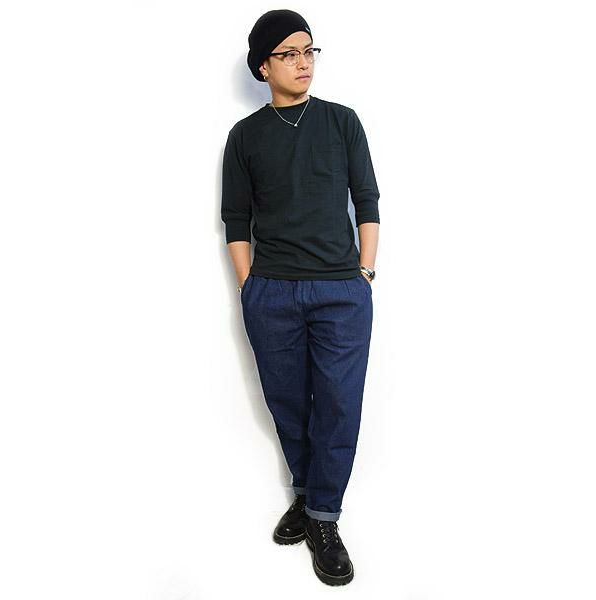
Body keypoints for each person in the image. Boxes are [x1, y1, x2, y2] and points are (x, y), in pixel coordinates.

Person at [221, 9, 380, 586]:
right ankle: (309, 495)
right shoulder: (245, 136)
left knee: (338, 404)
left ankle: (323, 517)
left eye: (309, 50)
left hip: (341, 290)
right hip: (272, 292)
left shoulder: (342, 121)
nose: (303, 62)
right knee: (288, 401)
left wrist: (365, 272)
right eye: (288, 53)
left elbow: (367, 198)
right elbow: (236, 218)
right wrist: (249, 285)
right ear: (264, 67)